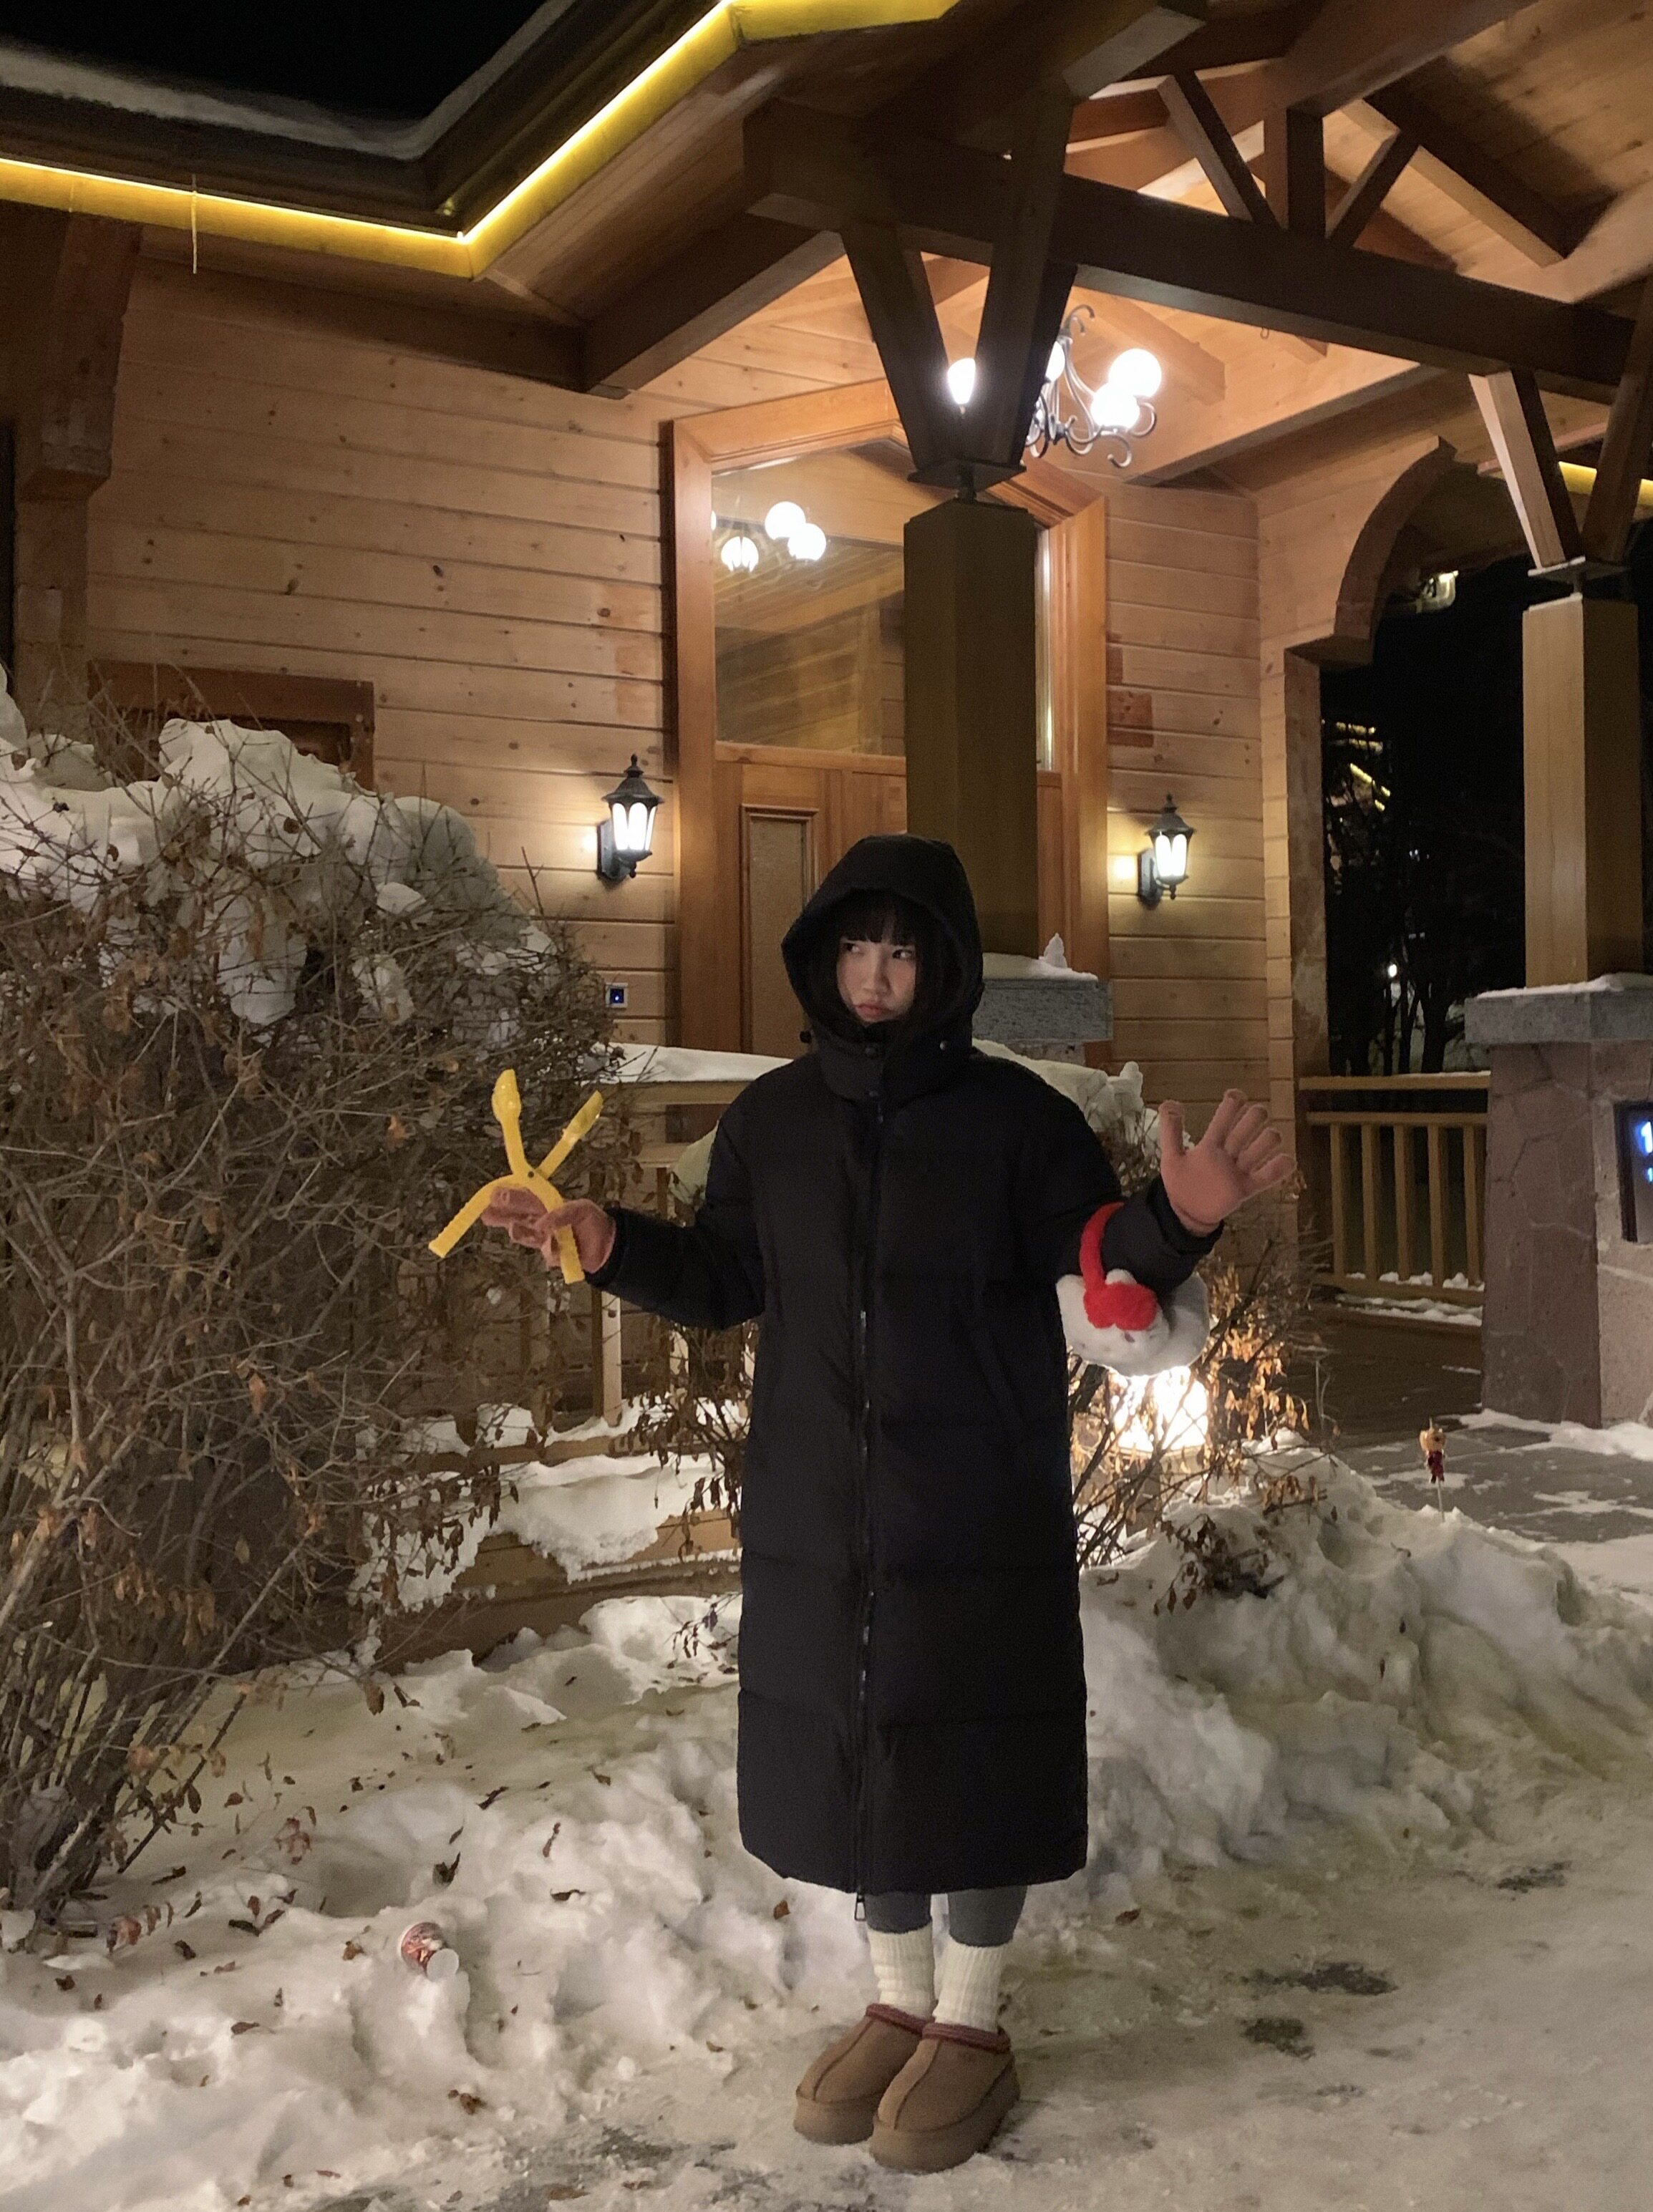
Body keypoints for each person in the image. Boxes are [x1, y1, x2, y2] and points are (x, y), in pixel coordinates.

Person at [484, 835, 1289, 2173]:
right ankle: (896, 2000)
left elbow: (1099, 1270)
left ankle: (969, 2018)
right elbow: (726, 1274)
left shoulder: (1017, 1122)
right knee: (859, 1744)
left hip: (973, 1495)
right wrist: (608, 1240)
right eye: (857, 945)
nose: (875, 972)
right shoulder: (772, 1123)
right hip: (820, 1500)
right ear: (822, 955)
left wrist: (1179, 1219)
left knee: (966, 1741)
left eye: (903, 949)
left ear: (945, 966)